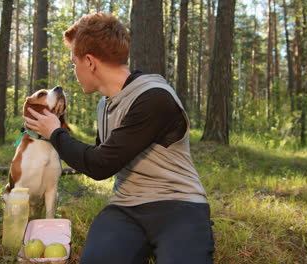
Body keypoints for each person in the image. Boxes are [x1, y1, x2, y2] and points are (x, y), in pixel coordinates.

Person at [25, 12, 215, 264]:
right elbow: (97, 155)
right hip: (125, 207)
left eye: (74, 63)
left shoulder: (154, 97)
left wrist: (55, 132)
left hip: (178, 204)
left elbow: (100, 164)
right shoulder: (105, 105)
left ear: (90, 62)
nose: (74, 71)